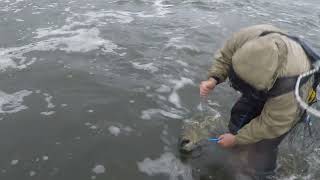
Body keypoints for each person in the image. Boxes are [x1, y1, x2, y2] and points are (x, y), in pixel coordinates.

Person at [199, 24, 314, 179]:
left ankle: (262, 174)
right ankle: (236, 148)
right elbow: (226, 55)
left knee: (264, 147)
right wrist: (214, 78)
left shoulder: (289, 90)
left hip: (289, 95)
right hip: (269, 82)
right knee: (240, 115)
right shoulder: (248, 37)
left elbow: (272, 124)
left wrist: (238, 139)